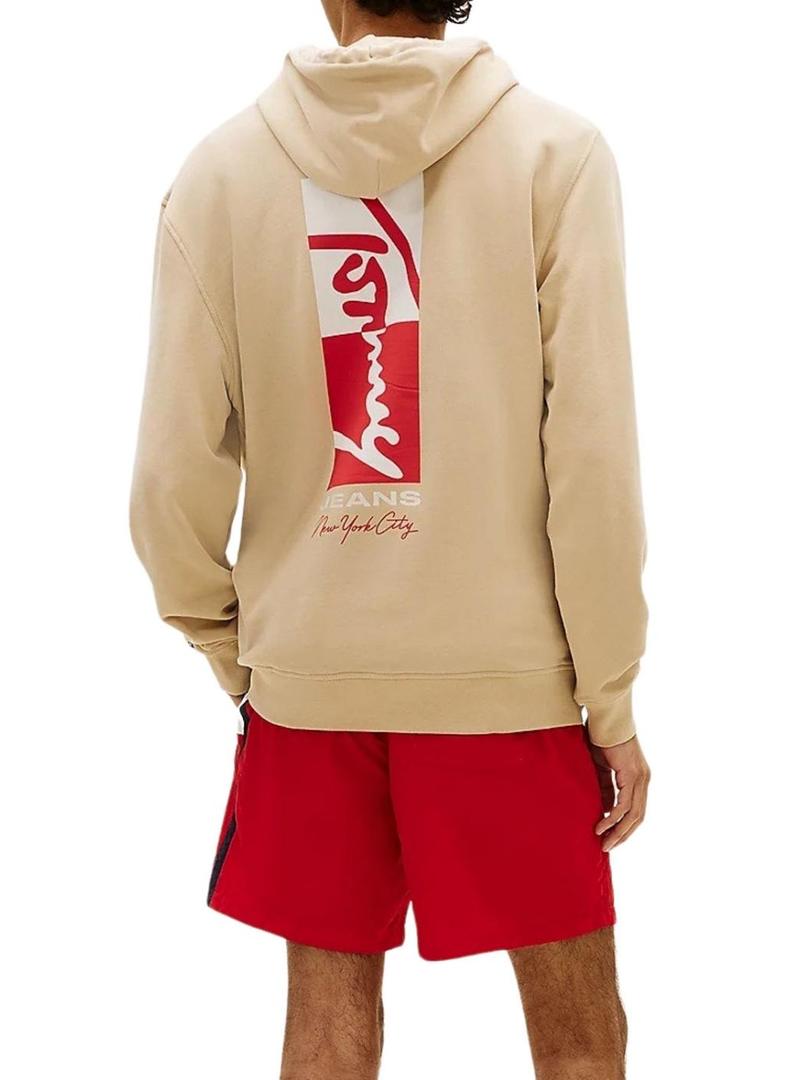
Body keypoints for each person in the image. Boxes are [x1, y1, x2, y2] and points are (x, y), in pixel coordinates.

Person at [130, 0, 651, 1076]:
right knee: (578, 1032)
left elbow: (169, 480)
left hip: (308, 683)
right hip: (507, 683)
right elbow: (592, 461)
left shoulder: (221, 174)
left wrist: (242, 657)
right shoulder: (554, 155)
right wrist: (609, 699)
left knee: (325, 1024)